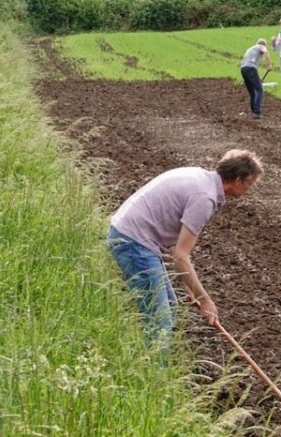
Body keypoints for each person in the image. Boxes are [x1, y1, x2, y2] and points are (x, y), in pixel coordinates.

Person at [107, 150, 263, 351]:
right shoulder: (204, 198)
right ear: (238, 180)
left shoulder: (199, 177)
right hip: (133, 242)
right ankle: (154, 368)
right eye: (250, 183)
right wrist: (205, 301)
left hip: (129, 235)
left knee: (169, 308)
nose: (249, 189)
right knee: (159, 322)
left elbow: (174, 238)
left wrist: (190, 288)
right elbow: (181, 256)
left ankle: (150, 360)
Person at [239, 38, 274, 119]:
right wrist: (269, 65)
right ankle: (257, 112)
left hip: (243, 69)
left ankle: (253, 111)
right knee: (259, 90)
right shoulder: (261, 46)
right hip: (251, 68)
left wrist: (257, 78)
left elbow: (245, 62)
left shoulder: (250, 49)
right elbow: (266, 52)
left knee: (252, 92)